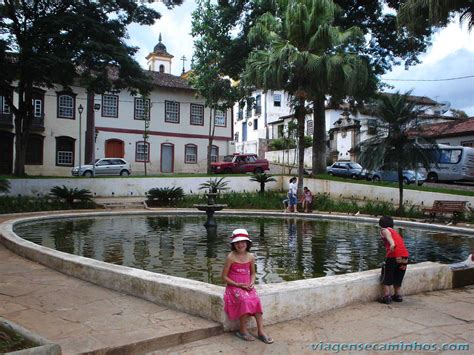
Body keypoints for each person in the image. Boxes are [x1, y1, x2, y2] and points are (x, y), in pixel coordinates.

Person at [222, 229, 274, 344]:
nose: (240, 245)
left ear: (248, 243)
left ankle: (261, 331)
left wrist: (251, 282)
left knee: (256, 300)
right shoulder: (230, 257)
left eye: (243, 242)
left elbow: (253, 273)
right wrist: (237, 284)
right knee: (244, 300)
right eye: (237, 242)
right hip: (233, 287)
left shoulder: (251, 256)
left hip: (247, 285)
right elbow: (224, 277)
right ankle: (242, 330)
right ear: (233, 244)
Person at [378, 216, 409, 304]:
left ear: (381, 225)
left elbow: (388, 236)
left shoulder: (384, 230)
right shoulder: (395, 231)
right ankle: (398, 295)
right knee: (398, 275)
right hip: (404, 256)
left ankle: (386, 296)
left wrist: (392, 244)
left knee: (386, 274)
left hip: (393, 255)